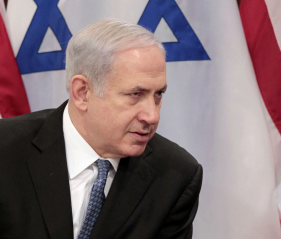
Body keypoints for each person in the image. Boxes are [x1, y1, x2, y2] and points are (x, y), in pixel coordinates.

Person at [0, 19, 202, 239]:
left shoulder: (175, 175)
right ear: (82, 93)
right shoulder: (5, 150)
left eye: (158, 95)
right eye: (135, 95)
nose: (152, 116)